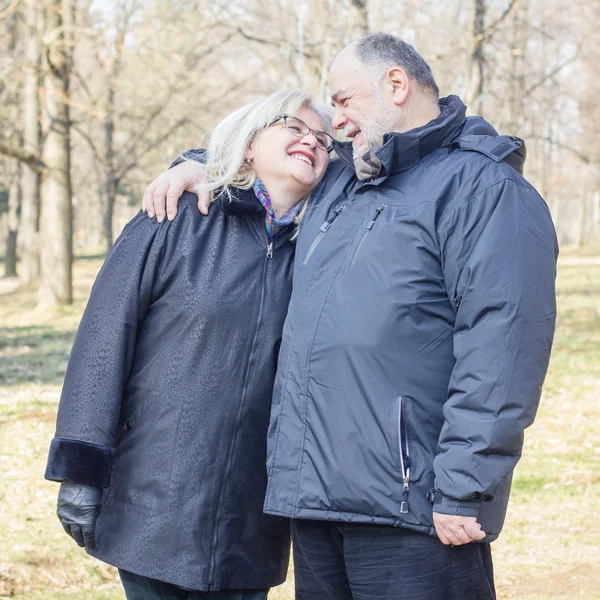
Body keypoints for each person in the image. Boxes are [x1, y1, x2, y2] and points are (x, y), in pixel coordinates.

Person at [143, 33, 558, 600]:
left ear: (395, 83)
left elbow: (504, 345)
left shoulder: (482, 188)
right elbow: (270, 154)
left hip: (413, 507)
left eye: (342, 100)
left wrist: (466, 487)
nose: (335, 122)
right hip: (314, 504)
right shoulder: (343, 176)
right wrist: (198, 165)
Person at [44, 90, 332, 600]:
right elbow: (104, 337)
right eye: (293, 126)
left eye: (323, 138)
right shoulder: (176, 216)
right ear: (248, 144)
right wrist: (81, 469)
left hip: (252, 516)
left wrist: (197, 162)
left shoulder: (320, 249)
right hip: (155, 501)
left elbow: (375, 155)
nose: (311, 139)